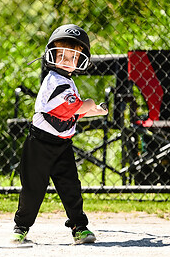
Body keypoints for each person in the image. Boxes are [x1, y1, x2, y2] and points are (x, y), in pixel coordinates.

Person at [12, 24, 108, 244]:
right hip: (39, 144)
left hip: (62, 145)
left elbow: (71, 113)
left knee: (70, 187)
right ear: (51, 55)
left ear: (80, 60)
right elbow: (73, 106)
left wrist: (94, 110)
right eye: (61, 54)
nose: (66, 60)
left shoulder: (68, 82)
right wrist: (90, 103)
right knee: (33, 188)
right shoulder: (54, 80)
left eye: (72, 56)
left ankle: (79, 228)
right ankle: (20, 227)